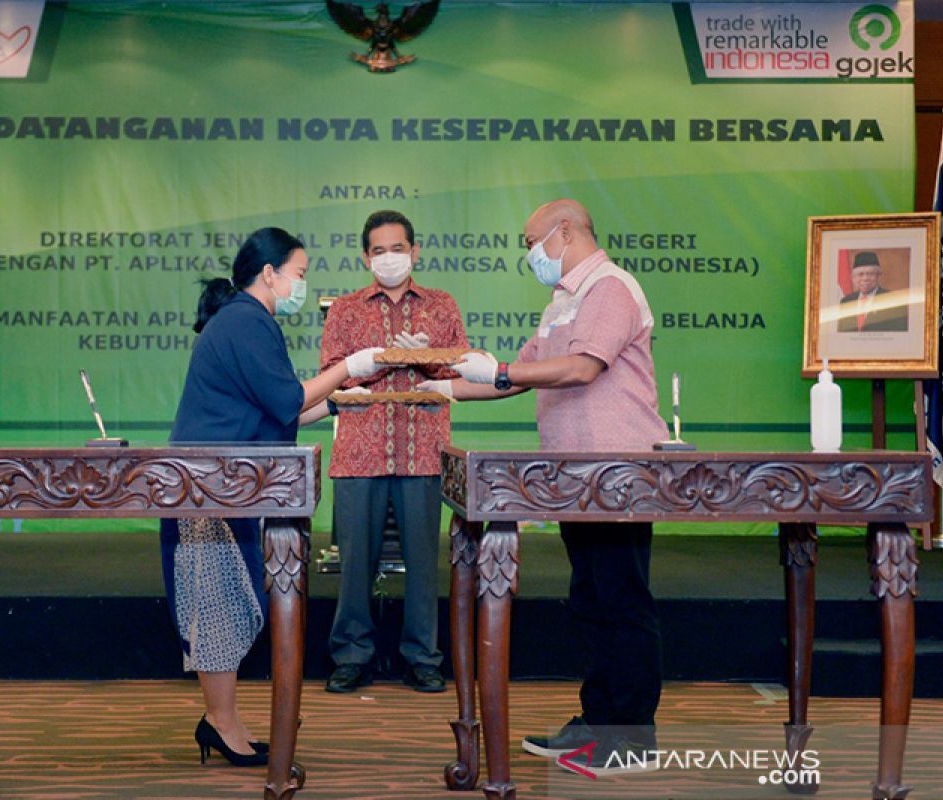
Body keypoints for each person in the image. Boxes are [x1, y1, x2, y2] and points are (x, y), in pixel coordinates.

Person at [418, 198, 667, 774]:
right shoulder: (562, 301)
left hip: (617, 470)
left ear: (564, 231)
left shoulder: (610, 287)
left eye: (531, 241)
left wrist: (500, 371)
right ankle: (597, 720)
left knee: (622, 598)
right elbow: (516, 374)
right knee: (591, 597)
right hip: (573, 474)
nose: (530, 253)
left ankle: (631, 736)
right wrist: (442, 388)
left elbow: (582, 368)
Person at [162, 227, 384, 767]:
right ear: (270, 273)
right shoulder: (245, 321)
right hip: (207, 490)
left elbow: (276, 411)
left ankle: (223, 722)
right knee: (216, 610)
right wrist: (347, 368)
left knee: (228, 607)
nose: (302, 285)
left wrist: (335, 403)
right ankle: (220, 723)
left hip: (222, 487)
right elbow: (287, 397)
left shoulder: (247, 319)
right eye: (300, 274)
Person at [319, 210, 469, 695]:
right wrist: (385, 360)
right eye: (379, 251)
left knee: (424, 564)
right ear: (366, 257)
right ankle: (351, 654)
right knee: (355, 562)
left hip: (423, 451)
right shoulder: (345, 309)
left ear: (415, 251)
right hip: (359, 453)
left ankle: (422, 657)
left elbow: (461, 372)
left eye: (398, 248)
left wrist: (426, 356)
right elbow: (332, 376)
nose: (389, 258)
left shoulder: (441, 306)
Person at [837, 251, 908, 332]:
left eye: (870, 274)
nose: (865, 279)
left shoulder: (895, 301)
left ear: (878, 275)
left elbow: (901, 339)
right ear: (854, 278)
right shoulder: (846, 302)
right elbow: (841, 337)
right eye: (860, 274)